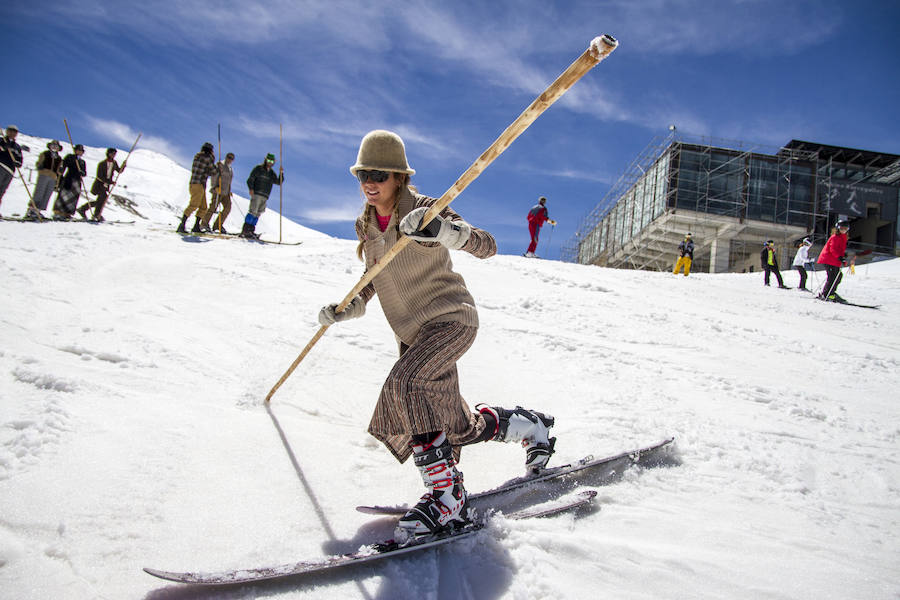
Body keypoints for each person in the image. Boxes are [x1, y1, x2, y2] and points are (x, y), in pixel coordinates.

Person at [317, 130, 556, 541]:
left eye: (378, 174)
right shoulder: (367, 225)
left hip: (451, 319)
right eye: (362, 175)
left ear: (399, 178)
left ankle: (447, 496)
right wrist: (353, 304)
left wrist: (446, 233)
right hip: (413, 333)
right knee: (455, 425)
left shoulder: (429, 210)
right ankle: (533, 428)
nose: (369, 183)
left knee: (406, 382)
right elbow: (375, 274)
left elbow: (488, 245)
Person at [176, 142, 217, 233]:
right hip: (199, 185)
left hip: (193, 184)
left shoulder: (197, 157)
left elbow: (206, 170)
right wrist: (214, 161)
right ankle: (181, 226)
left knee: (203, 207)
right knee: (194, 205)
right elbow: (213, 172)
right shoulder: (208, 158)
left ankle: (196, 227)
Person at [242, 153, 283, 239]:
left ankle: (251, 231)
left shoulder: (271, 173)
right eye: (268, 160)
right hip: (257, 193)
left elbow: (278, 182)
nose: (270, 162)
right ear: (265, 160)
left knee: (258, 213)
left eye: (272, 161)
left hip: (265, 196)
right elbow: (250, 179)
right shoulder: (258, 169)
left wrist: (281, 173)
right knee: (253, 211)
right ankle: (245, 230)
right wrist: (251, 188)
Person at [79, 147, 124, 221]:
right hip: (99, 185)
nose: (113, 155)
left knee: (101, 201)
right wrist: (111, 182)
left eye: (114, 154)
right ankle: (94, 213)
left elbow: (119, 171)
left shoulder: (114, 163)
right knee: (101, 201)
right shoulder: (102, 164)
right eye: (112, 153)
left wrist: (124, 165)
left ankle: (91, 212)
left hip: (106, 186)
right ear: (108, 154)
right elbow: (99, 176)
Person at [28, 140, 63, 220]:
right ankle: (32, 209)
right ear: (50, 146)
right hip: (44, 173)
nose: (54, 147)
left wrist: (59, 173)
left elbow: (59, 170)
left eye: (56, 146)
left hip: (53, 177)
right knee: (39, 191)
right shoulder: (45, 154)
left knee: (47, 193)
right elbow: (39, 162)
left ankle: (39, 210)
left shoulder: (59, 158)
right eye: (53, 145)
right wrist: (39, 166)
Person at [817, 220, 850, 302]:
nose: (843, 230)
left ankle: (830, 293)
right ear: (838, 228)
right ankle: (826, 294)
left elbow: (839, 249)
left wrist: (843, 256)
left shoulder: (843, 237)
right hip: (828, 258)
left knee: (838, 276)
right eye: (842, 228)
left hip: (834, 260)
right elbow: (833, 249)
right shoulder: (835, 237)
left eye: (845, 229)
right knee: (832, 276)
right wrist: (839, 257)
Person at [202, 152, 235, 233]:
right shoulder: (220, 165)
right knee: (213, 207)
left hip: (226, 192)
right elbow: (214, 176)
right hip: (218, 190)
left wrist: (229, 191)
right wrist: (215, 187)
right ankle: (204, 224)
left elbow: (229, 181)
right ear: (226, 157)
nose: (230, 159)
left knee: (228, 207)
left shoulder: (230, 169)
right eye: (229, 157)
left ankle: (218, 225)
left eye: (232, 158)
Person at [53, 144, 87, 220]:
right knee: (63, 196)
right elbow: (63, 165)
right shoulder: (70, 157)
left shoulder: (82, 162)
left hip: (77, 181)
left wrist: (82, 173)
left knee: (73, 198)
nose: (80, 152)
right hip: (69, 178)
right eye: (78, 150)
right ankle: (58, 212)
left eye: (81, 151)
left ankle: (68, 213)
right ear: (75, 150)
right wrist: (61, 171)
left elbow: (84, 172)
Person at [0, 125, 24, 216]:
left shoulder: (17, 146)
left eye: (15, 132)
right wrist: (3, 147)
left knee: (2, 190)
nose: (12, 133)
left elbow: (20, 159)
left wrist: (18, 163)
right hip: (1, 165)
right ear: (7, 131)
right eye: (11, 131)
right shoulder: (2, 140)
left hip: (10, 170)